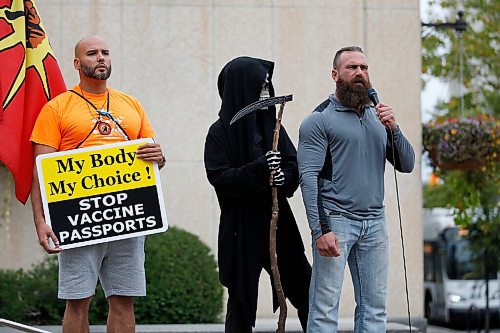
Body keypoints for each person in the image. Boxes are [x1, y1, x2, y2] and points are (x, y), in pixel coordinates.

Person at [29, 35, 166, 333]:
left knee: (124, 299)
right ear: (78, 63)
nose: (101, 58)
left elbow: (151, 158)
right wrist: (41, 221)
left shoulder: (131, 104)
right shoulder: (57, 108)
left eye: (105, 52)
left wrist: (159, 156)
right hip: (77, 217)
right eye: (92, 54)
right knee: (78, 300)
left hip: (128, 217)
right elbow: (40, 171)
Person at [297, 46, 415, 332]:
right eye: (352, 68)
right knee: (325, 308)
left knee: (375, 309)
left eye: (364, 67)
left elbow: (407, 164)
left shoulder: (379, 118)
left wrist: (394, 129)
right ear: (335, 74)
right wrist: (319, 230)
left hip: (375, 223)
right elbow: (308, 179)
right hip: (335, 221)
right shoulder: (319, 119)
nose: (360, 73)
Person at [204, 56, 311, 332]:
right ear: (242, 86)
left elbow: (292, 163)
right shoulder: (219, 133)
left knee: (306, 289)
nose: (266, 87)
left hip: (278, 221)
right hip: (240, 226)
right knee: (241, 302)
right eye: (259, 82)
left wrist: (282, 177)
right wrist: (259, 169)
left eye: (267, 81)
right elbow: (221, 178)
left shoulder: (272, 125)